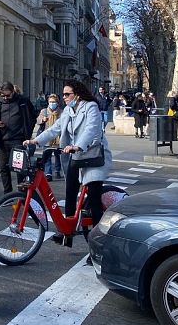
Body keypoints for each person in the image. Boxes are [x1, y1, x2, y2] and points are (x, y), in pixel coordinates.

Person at [24, 79, 112, 250]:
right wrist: (36, 140)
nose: (63, 97)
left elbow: (92, 129)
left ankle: (98, 244)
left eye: (67, 94)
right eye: (63, 94)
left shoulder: (90, 107)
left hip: (93, 155)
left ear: (77, 95)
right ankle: (67, 232)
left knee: (94, 197)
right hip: (75, 154)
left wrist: (78, 145)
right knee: (70, 190)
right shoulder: (68, 111)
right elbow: (54, 129)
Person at [0, 82, 37, 193]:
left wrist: (27, 132)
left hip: (18, 139)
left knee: (19, 168)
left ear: (13, 92)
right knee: (3, 168)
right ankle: (7, 192)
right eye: (3, 95)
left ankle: (21, 193)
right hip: (2, 139)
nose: (6, 98)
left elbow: (32, 116)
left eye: (8, 95)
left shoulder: (23, 101)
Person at [36, 94, 63, 180]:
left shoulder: (61, 112)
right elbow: (38, 120)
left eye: (54, 102)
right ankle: (48, 173)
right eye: (50, 102)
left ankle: (57, 170)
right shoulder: (44, 111)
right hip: (46, 137)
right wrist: (42, 120)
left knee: (57, 155)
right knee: (47, 155)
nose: (52, 103)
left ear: (57, 103)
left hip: (57, 138)